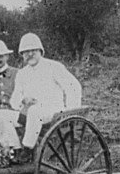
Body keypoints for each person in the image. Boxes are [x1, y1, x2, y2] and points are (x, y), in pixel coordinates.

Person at [10, 33, 82, 164]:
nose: (29, 54)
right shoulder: (21, 74)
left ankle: (28, 148)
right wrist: (23, 100)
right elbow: (14, 99)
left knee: (35, 111)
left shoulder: (53, 67)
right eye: (25, 52)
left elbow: (73, 87)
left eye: (33, 50)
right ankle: (13, 150)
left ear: (41, 51)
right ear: (22, 55)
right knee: (2, 116)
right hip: (28, 113)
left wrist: (71, 112)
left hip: (52, 111)